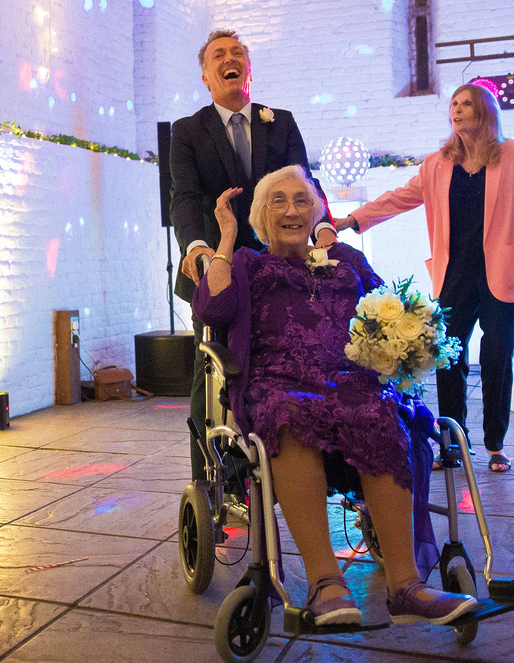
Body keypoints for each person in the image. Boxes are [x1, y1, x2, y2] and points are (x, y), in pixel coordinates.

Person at [193, 165, 476, 626]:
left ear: (317, 212)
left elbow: (390, 310)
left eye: (302, 200)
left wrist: (411, 338)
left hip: (352, 381)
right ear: (262, 217)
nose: (291, 209)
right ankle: (326, 582)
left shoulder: (346, 259)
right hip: (277, 381)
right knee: (290, 415)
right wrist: (225, 237)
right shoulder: (248, 263)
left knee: (384, 414)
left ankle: (407, 586)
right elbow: (212, 308)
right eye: (278, 201)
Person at [335, 84, 514, 473]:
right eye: (454, 104)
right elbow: (401, 197)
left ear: (485, 111)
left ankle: (495, 444)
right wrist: (354, 219)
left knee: (497, 357)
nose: (457, 109)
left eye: (466, 104)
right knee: (448, 359)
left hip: (505, 272)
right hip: (455, 274)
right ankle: (452, 444)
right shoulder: (437, 163)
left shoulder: (513, 154)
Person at [169, 29, 334, 482]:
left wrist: (321, 226)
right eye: (219, 55)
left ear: (248, 68)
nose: (230, 58)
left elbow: (305, 181)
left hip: (278, 267)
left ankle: (278, 464)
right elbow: (184, 196)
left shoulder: (279, 122)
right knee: (214, 368)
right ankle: (211, 478)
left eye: (237, 52)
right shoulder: (187, 131)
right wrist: (198, 247)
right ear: (206, 76)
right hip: (216, 269)